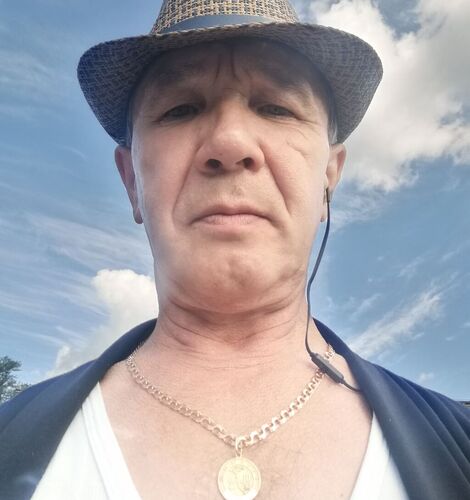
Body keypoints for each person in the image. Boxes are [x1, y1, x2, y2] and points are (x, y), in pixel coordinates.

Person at [1, 0, 469, 499]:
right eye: (181, 109)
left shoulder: (458, 448)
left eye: (276, 107)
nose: (229, 142)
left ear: (329, 177)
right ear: (132, 180)